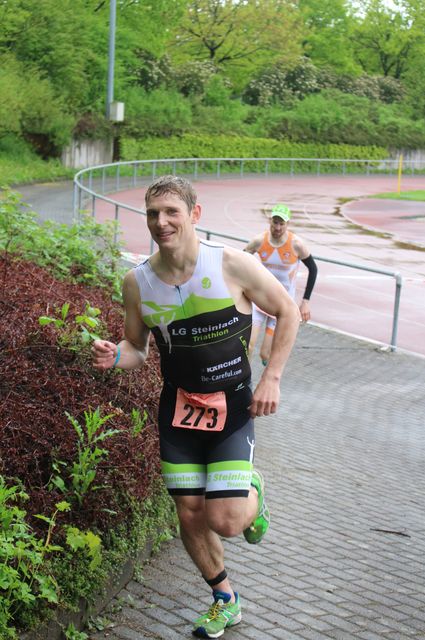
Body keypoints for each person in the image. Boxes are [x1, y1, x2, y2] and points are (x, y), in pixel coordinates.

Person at [92, 176, 300, 638]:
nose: (161, 222)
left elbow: (287, 310)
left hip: (232, 406)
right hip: (179, 409)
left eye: (172, 212)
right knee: (189, 511)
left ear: (194, 215)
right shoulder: (138, 282)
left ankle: (253, 491)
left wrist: (272, 377)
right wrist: (115, 356)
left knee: (224, 520)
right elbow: (136, 347)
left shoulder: (231, 264)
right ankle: (224, 599)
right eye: (153, 214)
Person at [244, 203, 317, 365]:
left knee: (265, 354)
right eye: (275, 222)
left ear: (287, 224)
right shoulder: (258, 241)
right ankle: (245, 380)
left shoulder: (296, 244)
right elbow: (240, 261)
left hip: (281, 305)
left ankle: (268, 375)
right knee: (248, 346)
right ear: (269, 221)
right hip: (260, 300)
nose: (277, 227)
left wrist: (305, 301)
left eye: (281, 224)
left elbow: (313, 269)